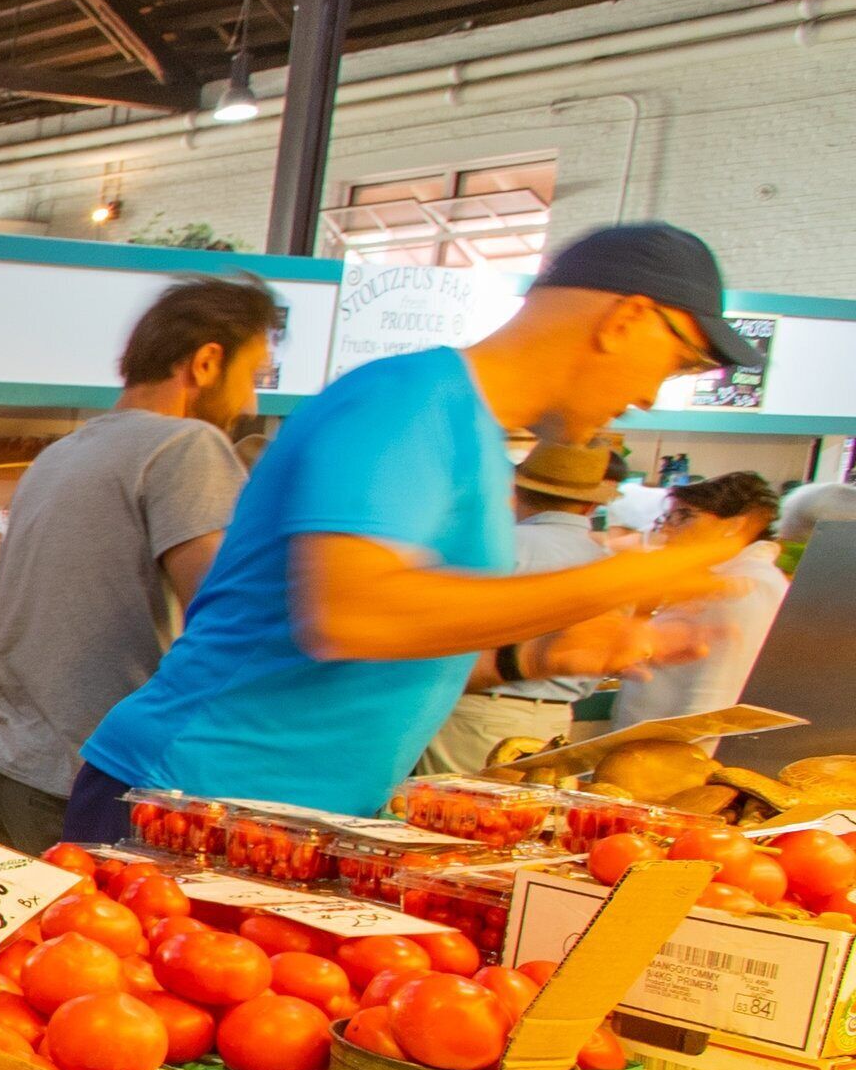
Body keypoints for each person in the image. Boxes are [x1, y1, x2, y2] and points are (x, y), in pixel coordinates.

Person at [72, 223, 765, 836]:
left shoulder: (472, 437)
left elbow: (383, 644)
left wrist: (536, 659)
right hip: (190, 800)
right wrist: (624, 576)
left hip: (276, 813)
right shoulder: (406, 402)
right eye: (679, 361)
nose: (651, 396)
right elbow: (351, 616)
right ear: (627, 318)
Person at [0, 276, 275, 852]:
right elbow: (231, 622)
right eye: (254, 378)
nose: (252, 403)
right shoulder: (186, 447)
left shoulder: (63, 453)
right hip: (90, 787)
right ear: (207, 362)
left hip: (6, 771)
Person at [414, 438, 619, 773]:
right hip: (557, 719)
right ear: (589, 506)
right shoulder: (612, 566)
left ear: (518, 492)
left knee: (455, 816)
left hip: (479, 712)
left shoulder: (496, 548)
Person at [615, 472, 791, 731]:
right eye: (668, 517)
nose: (667, 528)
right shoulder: (714, 577)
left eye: (684, 516)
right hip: (649, 744)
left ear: (734, 525)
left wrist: (689, 760)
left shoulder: (746, 585)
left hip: (671, 755)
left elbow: (719, 691)